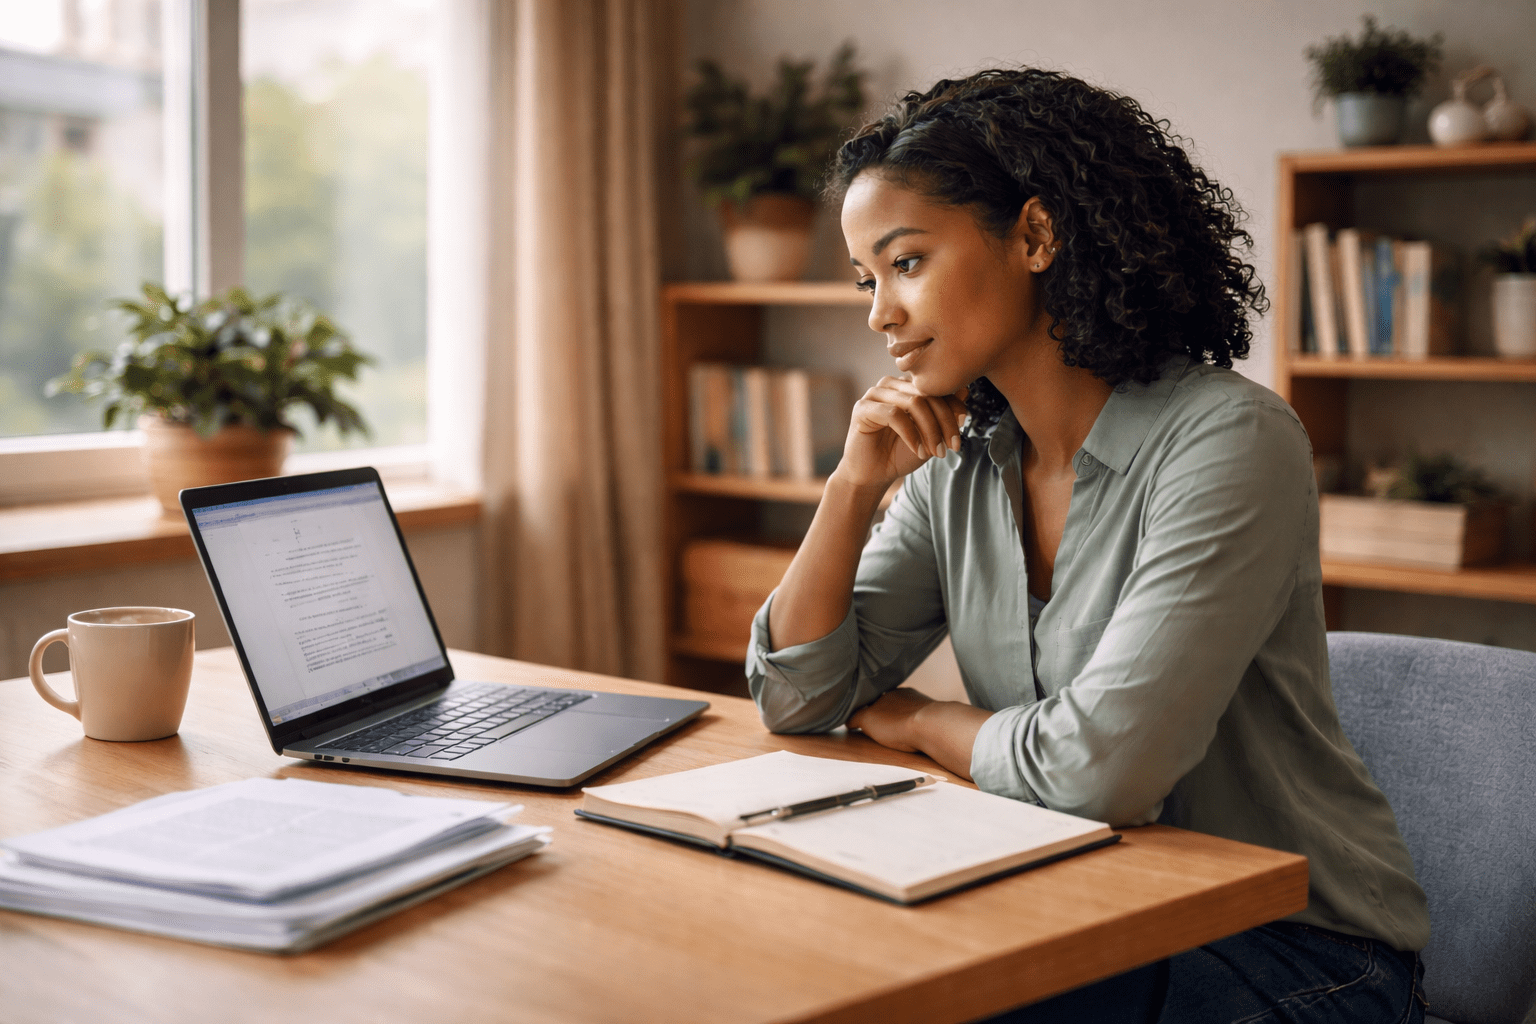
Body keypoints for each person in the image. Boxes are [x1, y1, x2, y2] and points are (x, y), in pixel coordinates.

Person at [746, 68, 1429, 1024]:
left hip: (1295, 954)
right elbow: (797, 694)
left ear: (1034, 235)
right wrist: (852, 484)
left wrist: (916, 720)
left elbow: (1098, 773)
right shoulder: (956, 466)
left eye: (906, 264)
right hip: (1076, 899)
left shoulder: (1230, 441)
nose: (879, 316)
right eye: (868, 279)